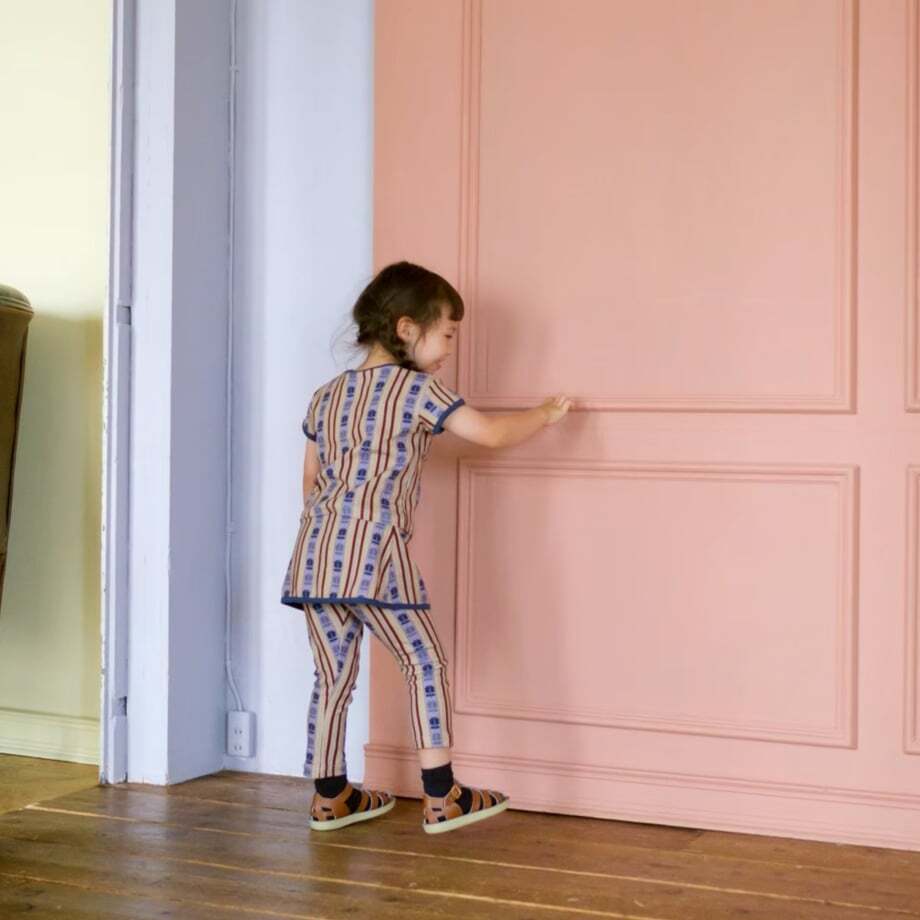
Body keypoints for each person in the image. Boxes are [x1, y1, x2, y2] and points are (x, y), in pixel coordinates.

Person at [280, 260, 572, 834]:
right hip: (375, 554)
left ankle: (330, 796)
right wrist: (544, 413)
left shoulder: (325, 396)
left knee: (332, 676)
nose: (449, 350)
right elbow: (490, 433)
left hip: (314, 556)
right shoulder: (417, 390)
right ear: (407, 328)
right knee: (424, 661)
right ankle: (442, 794)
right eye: (447, 335)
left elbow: (310, 481)